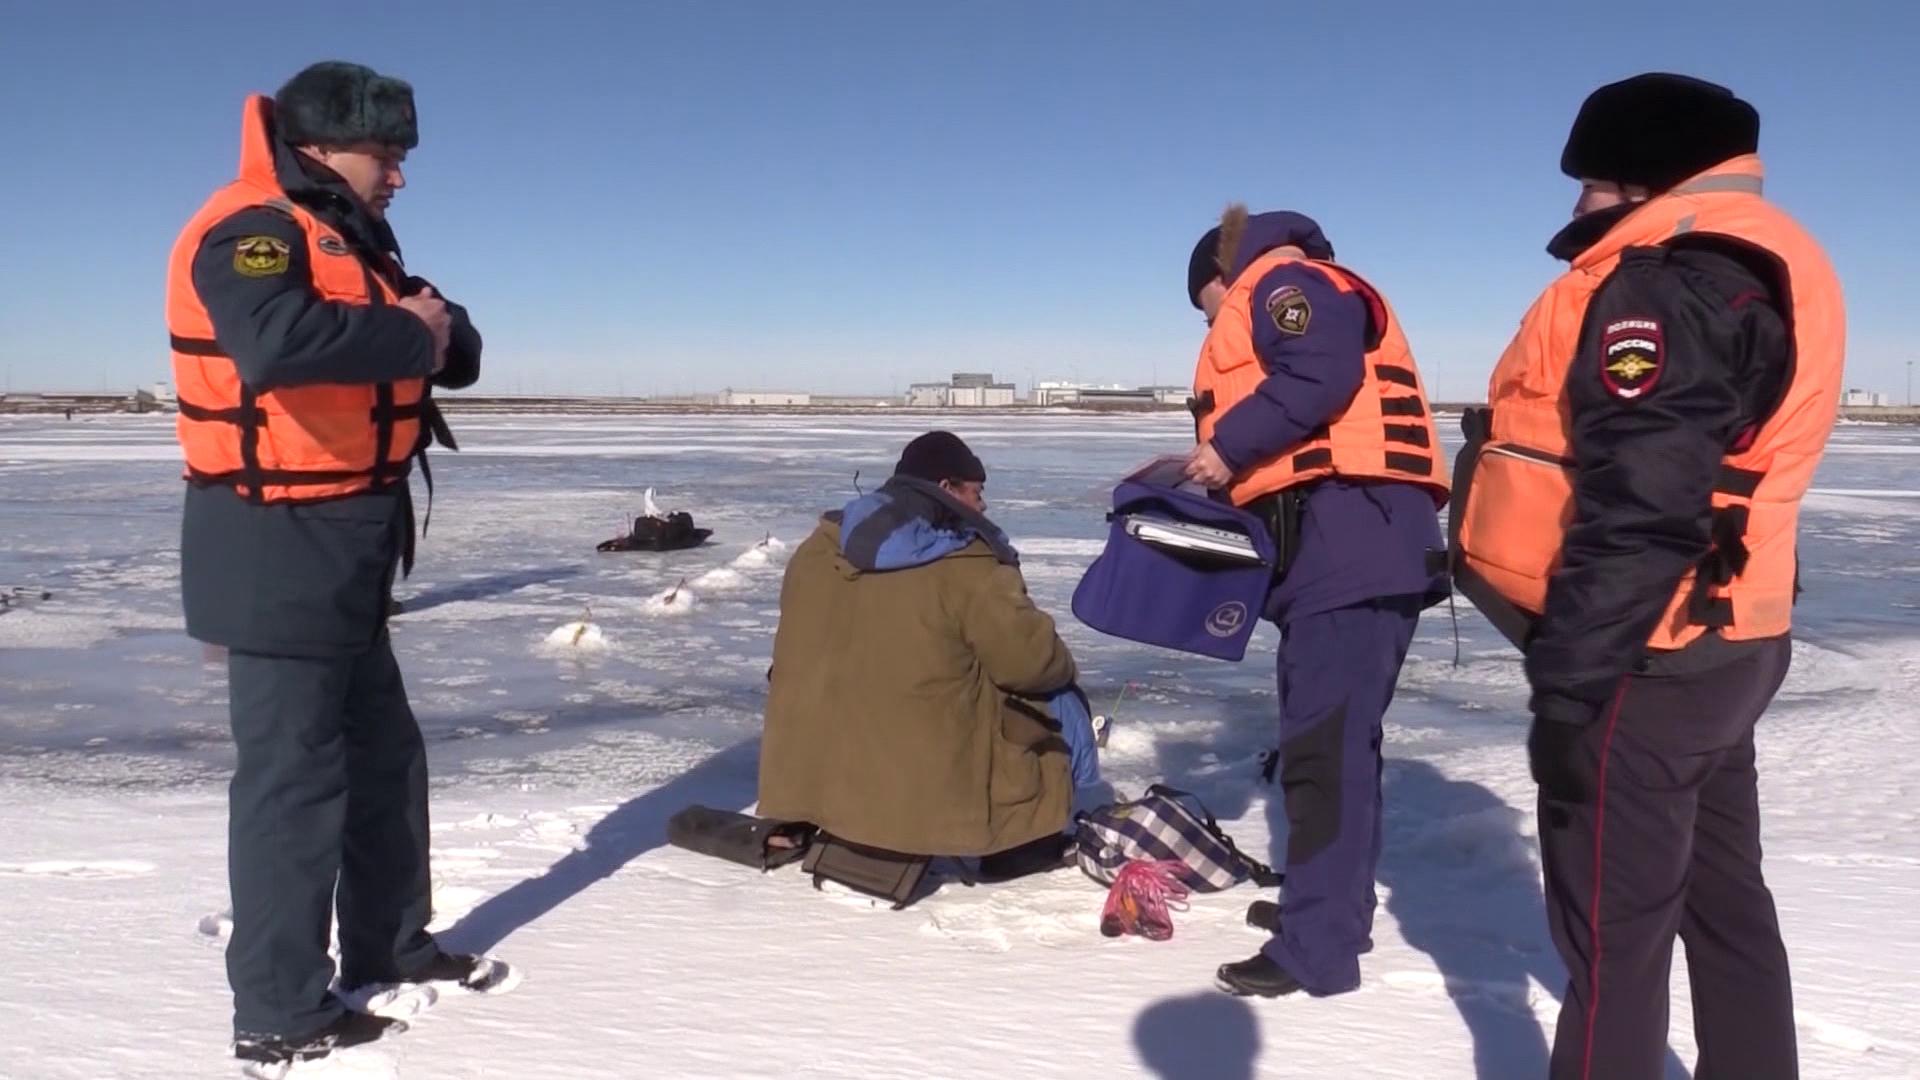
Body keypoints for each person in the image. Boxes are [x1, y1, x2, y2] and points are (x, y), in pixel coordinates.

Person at [1448, 73, 1844, 1080]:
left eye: (1587, 181)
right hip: (1732, 636)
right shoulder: (1764, 258)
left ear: (1640, 177)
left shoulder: (1669, 284)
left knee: (1613, 948)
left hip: (1645, 657)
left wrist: (1573, 689)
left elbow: (1642, 502)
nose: (1573, 202)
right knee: (1725, 906)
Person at [164, 61, 500, 1070]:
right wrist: (412, 329)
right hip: (275, 544)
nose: (399, 178)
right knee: (290, 785)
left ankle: (390, 942)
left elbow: (462, 344)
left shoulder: (353, 239)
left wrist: (423, 328)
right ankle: (278, 1007)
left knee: (386, 758)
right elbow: (274, 345)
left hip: (351, 543)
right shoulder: (253, 230)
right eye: (385, 157)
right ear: (318, 149)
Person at [1179, 207, 1450, 999]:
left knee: (1322, 756)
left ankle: (1318, 949)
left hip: (1350, 548)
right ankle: (1331, 909)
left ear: (1225, 277)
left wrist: (1224, 449)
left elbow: (1320, 373)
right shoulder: (1289, 285)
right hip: (1347, 548)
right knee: (1339, 748)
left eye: (1208, 307)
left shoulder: (1283, 283)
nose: (1214, 321)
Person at [756, 431, 1086, 883]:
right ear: (946, 489)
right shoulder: (967, 564)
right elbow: (1030, 662)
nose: (984, 507)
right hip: (916, 789)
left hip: (815, 772)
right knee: (1058, 698)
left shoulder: (817, 549)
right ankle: (1027, 841)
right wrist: (1064, 669)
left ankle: (813, 814)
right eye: (977, 492)